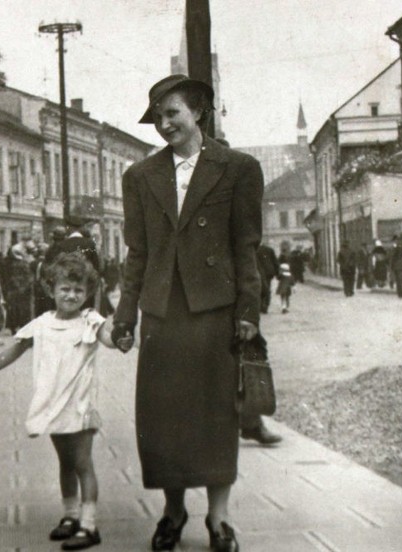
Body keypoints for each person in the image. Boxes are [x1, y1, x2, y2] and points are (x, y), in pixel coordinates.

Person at [111, 74, 263, 552]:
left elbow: (246, 245)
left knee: (217, 415)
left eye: (171, 112)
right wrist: (125, 314)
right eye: (157, 116)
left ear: (198, 111)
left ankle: (219, 520)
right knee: (162, 419)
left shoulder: (238, 168)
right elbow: (136, 253)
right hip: (162, 314)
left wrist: (249, 310)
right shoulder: (140, 176)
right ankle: (174, 512)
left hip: (213, 311)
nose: (163, 123)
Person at [0, 252, 120, 550]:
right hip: (53, 404)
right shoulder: (43, 323)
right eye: (65, 289)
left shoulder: (90, 320)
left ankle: (89, 524)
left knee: (83, 462)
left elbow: (110, 339)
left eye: (78, 290)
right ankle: (70, 515)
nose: (71, 295)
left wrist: (121, 334)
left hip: (80, 404)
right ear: (51, 290)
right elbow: (17, 347)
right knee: (65, 463)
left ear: (87, 293)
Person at [256, 241, 279, 314]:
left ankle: (260, 306)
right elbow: (275, 261)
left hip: (258, 272)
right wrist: (277, 273)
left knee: (259, 289)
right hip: (268, 272)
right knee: (267, 288)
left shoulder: (255, 250)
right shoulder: (270, 249)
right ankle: (265, 306)